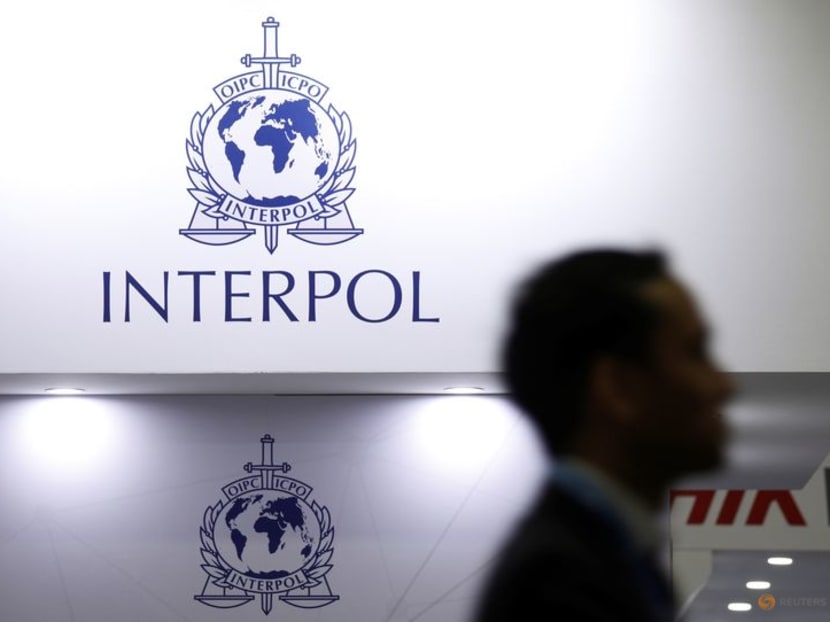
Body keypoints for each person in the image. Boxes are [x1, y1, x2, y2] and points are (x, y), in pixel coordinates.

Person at [473, 248, 735, 622]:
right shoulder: (560, 586)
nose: (725, 385)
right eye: (694, 353)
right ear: (617, 389)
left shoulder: (605, 557)